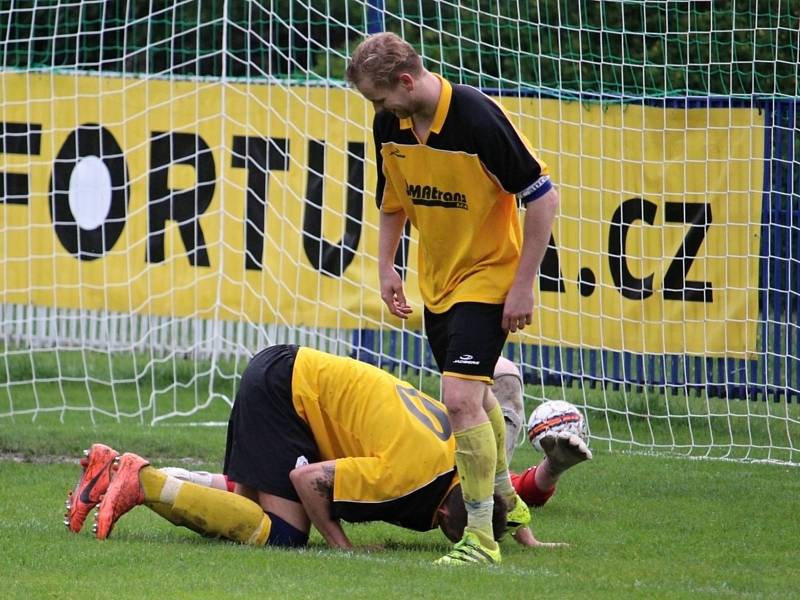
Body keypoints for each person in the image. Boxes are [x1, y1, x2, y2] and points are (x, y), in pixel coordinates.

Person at [346, 32, 559, 564]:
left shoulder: (476, 117)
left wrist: (522, 284)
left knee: (460, 400)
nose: (377, 108)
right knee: (479, 398)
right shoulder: (388, 124)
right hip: (437, 282)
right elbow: (392, 199)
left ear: (406, 81)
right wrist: (387, 267)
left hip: (488, 277)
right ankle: (513, 505)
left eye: (379, 97)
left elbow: (543, 198)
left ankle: (481, 540)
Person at [64, 345, 529, 553]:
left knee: (244, 501)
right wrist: (343, 548)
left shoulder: (468, 454)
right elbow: (308, 480)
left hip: (292, 373)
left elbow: (487, 411)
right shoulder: (406, 480)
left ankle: (112, 471)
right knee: (287, 534)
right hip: (285, 392)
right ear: (445, 518)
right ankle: (142, 482)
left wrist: (518, 522)